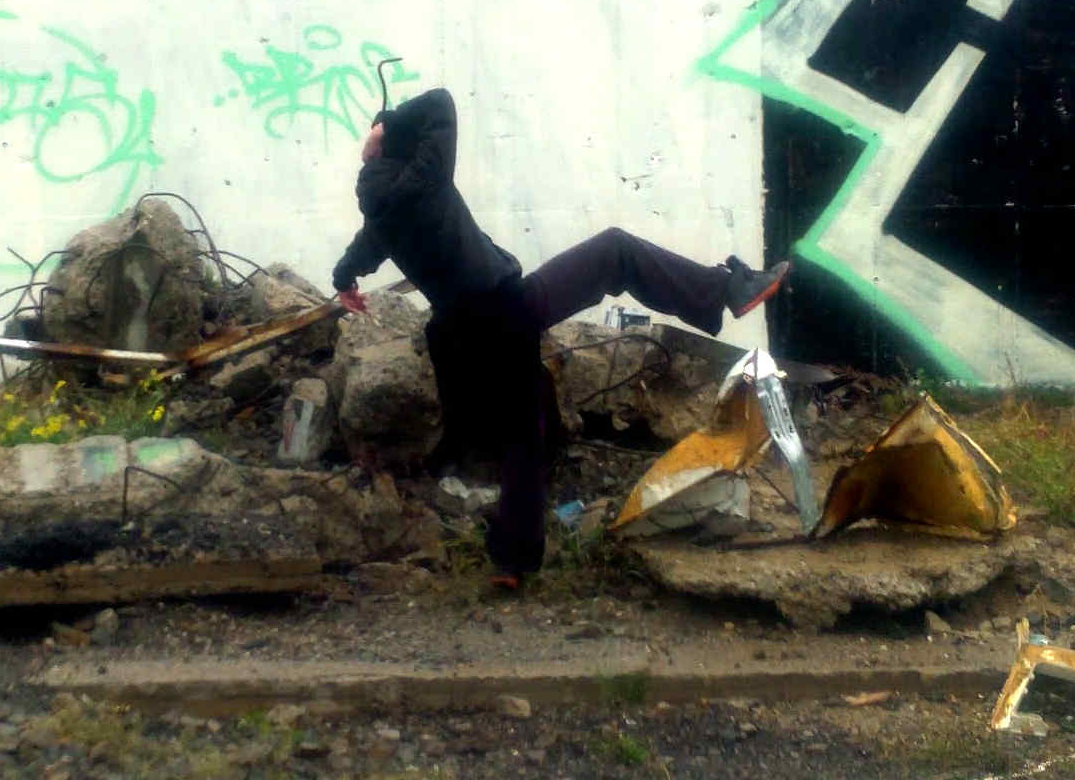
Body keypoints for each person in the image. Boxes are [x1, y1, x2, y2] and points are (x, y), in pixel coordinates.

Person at [330, 87, 789, 587]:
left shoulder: (381, 211)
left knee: (526, 424)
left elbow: (361, 250)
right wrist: (388, 127)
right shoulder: (426, 177)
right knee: (616, 251)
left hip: (458, 332)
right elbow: (440, 103)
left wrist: (343, 279)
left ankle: (511, 562)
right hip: (506, 307)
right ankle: (726, 290)